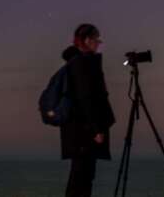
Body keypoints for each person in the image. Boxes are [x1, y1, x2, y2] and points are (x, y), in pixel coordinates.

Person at [61, 23, 116, 197]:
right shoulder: (82, 64)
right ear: (86, 40)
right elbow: (86, 99)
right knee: (82, 178)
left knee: (81, 176)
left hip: (79, 131)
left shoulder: (77, 63)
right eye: (96, 39)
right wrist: (96, 129)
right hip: (84, 132)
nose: (98, 43)